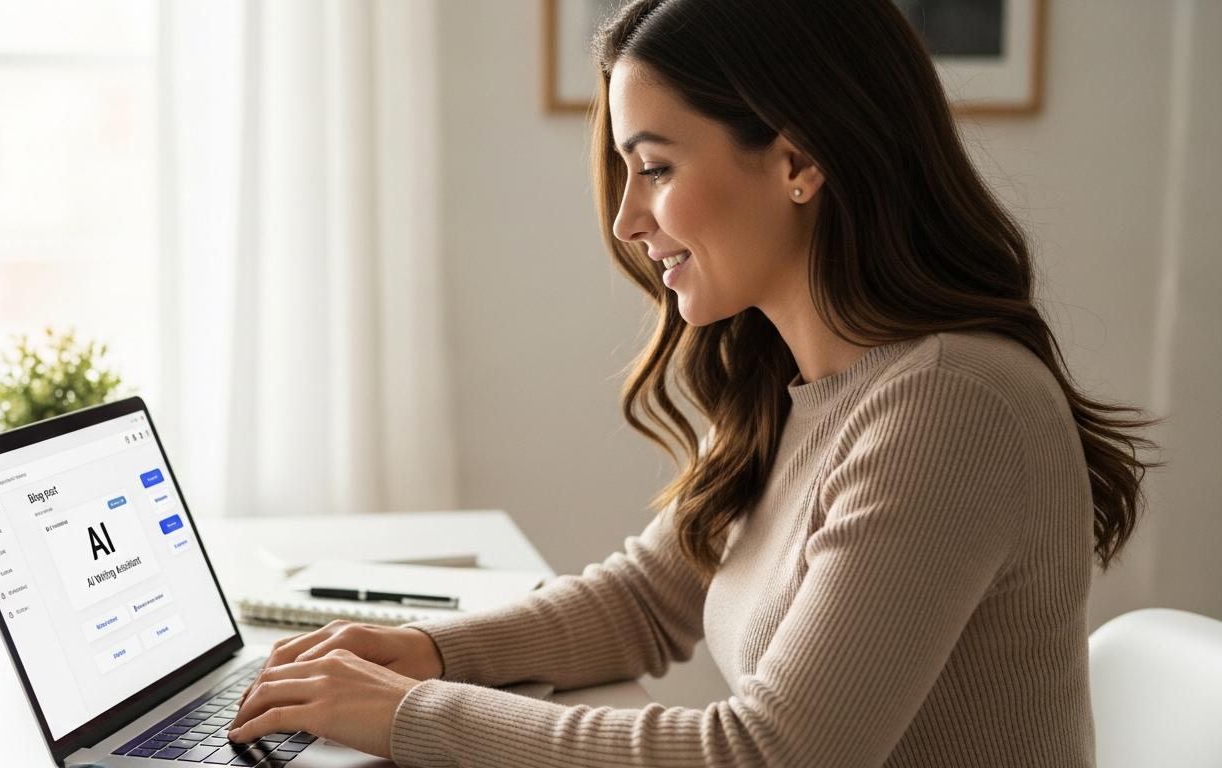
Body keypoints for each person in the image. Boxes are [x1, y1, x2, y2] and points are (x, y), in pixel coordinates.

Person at [227, 0, 1155, 765]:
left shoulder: (951, 406)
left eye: (657, 168)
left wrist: (410, 716)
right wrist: (429, 653)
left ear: (799, 161)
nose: (628, 220)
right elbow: (646, 600)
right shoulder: (794, 381)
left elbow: (769, 755)